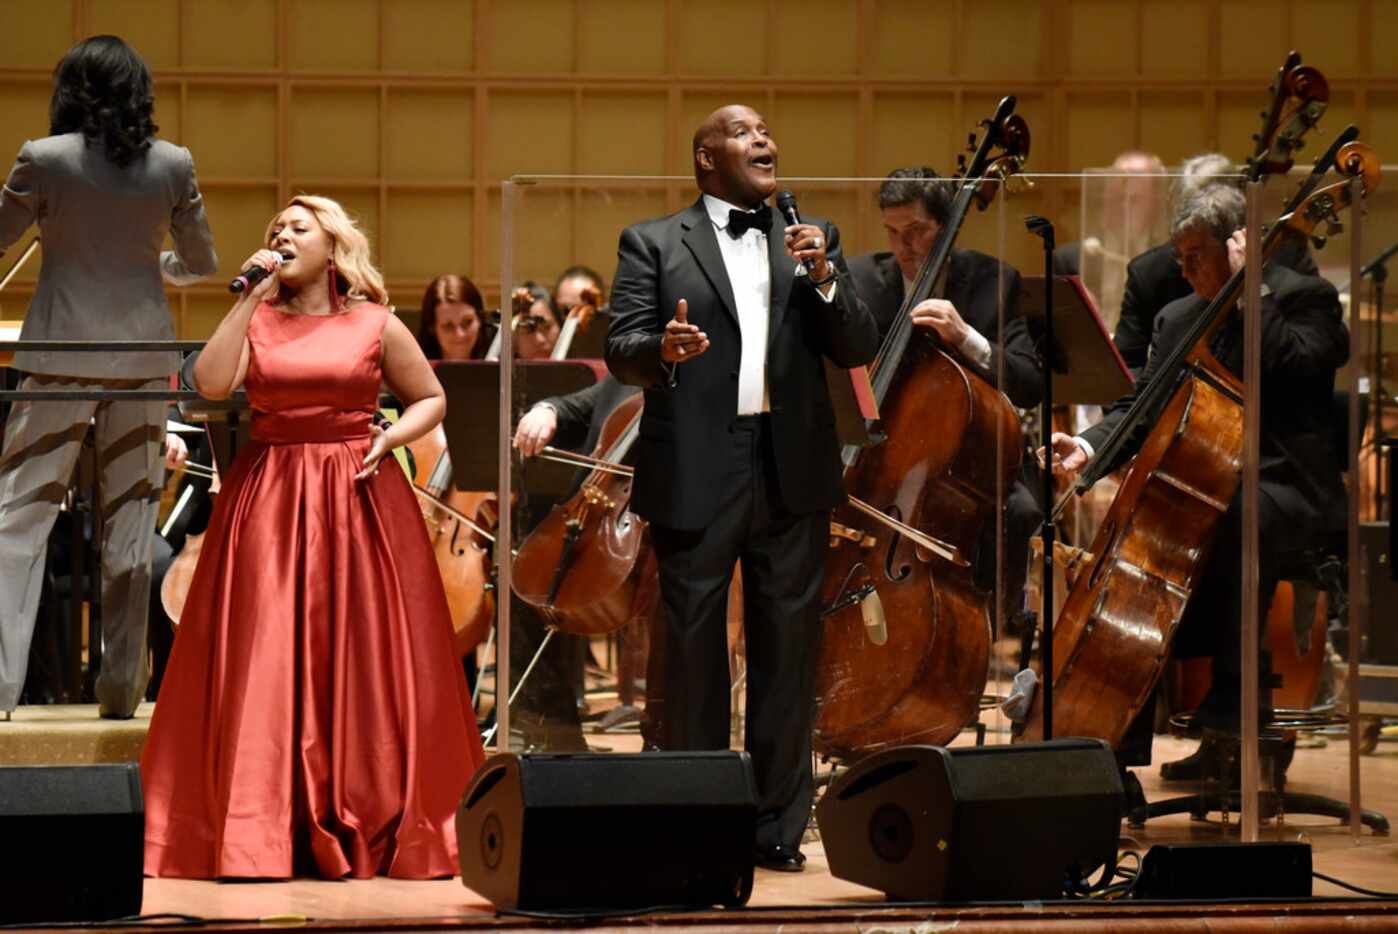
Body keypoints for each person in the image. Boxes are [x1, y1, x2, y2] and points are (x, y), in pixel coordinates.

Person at [140, 195, 484, 879]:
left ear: (334, 245)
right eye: (276, 229)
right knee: (264, 653)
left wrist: (392, 437)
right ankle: (260, 825)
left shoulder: (373, 322)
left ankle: (366, 808)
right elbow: (208, 383)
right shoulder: (259, 318)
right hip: (268, 496)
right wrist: (247, 299)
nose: (283, 235)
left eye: (299, 228)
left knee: (360, 655)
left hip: (357, 495)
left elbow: (431, 398)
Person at [605, 104, 877, 872]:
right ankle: (696, 820)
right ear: (705, 156)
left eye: (768, 131)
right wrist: (662, 346)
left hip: (790, 463)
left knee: (787, 654)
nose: (766, 140)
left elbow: (854, 344)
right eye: (745, 131)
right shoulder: (654, 241)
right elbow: (620, 346)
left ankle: (774, 829)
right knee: (692, 654)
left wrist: (823, 277)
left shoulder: (810, 238)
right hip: (696, 463)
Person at [1042, 184, 1347, 778]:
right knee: (1141, 532)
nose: (1182, 272)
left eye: (1196, 256)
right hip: (1214, 489)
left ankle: (1233, 700)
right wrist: (1085, 448)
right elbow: (1145, 407)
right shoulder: (1178, 317)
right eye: (1177, 256)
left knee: (1228, 518)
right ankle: (1117, 754)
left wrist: (1249, 291)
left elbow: (1290, 361)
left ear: (1238, 248)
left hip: (1289, 491)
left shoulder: (1304, 299)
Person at [0, 35, 217, 720]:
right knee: (130, 530)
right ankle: (122, 694)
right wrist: (164, 270)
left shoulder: (44, 158)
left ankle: (0, 692)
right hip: (143, 363)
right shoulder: (173, 164)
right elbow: (202, 261)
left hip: (58, 361)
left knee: (18, 524)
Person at [846, 167, 1043, 620]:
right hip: (887, 456)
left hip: (970, 461)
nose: (904, 249)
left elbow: (1029, 383)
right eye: (892, 233)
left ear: (947, 226)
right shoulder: (862, 279)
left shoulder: (993, 281)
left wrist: (966, 336)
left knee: (1021, 511)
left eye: (917, 232)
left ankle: (991, 630)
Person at [416, 273, 492, 362]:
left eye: (467, 322)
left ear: (480, 320)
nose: (460, 334)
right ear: (432, 328)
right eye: (448, 326)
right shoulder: (409, 372)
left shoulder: (503, 369)